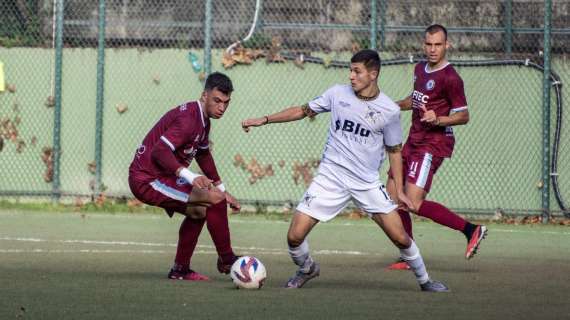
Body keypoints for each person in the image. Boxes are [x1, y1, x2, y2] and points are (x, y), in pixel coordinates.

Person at [242, 49, 448, 292]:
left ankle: (425, 281)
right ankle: (307, 268)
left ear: (373, 74)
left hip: (366, 182)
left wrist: (401, 190)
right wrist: (264, 119)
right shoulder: (337, 94)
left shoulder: (389, 110)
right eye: (350, 70)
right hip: (330, 177)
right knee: (294, 237)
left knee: (401, 237)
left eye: (357, 71)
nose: (351, 76)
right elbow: (301, 110)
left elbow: (394, 151)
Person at [386, 24, 487, 270]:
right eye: (429, 44)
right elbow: (415, 99)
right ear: (424, 45)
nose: (433, 49)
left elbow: (464, 116)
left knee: (412, 202)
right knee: (392, 196)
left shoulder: (451, 78)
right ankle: (409, 255)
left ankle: (471, 229)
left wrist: (439, 119)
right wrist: (392, 105)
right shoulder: (419, 68)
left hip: (433, 144)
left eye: (438, 45)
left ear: (447, 46)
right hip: (412, 140)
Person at [128, 72, 241, 281]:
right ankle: (227, 259)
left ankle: (180, 269)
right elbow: (160, 151)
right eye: (217, 101)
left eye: (226, 103)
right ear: (204, 95)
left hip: (163, 175)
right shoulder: (189, 119)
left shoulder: (203, 120)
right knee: (213, 199)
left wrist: (225, 191)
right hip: (147, 178)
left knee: (199, 211)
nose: (222, 108)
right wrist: (190, 176)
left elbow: (204, 154)